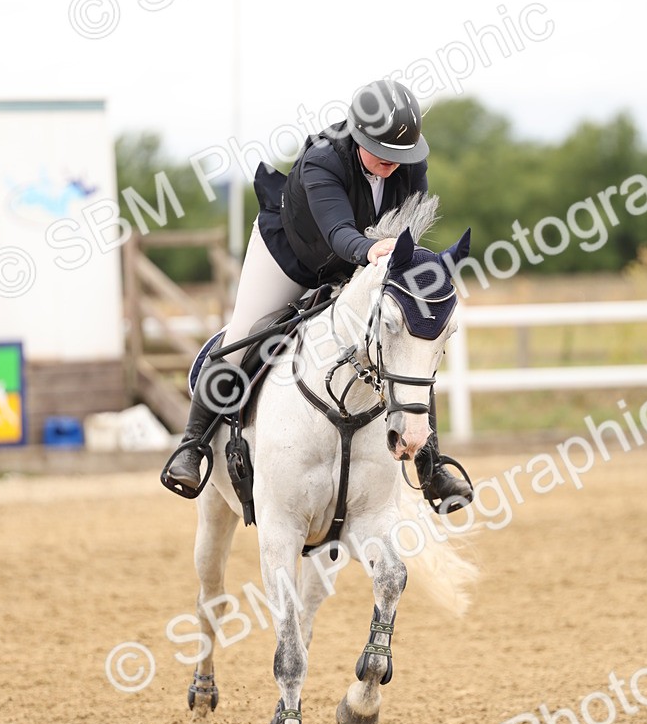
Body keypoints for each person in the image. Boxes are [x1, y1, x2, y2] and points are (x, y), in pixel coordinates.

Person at [164, 78, 473, 510]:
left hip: (363, 262)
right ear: (359, 136)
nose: (391, 163)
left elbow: (408, 231)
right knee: (243, 336)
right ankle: (192, 445)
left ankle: (431, 466)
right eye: (381, 153)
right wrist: (371, 251)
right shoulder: (323, 161)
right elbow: (338, 233)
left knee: (405, 339)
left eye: (398, 156)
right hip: (292, 255)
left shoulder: (408, 162)